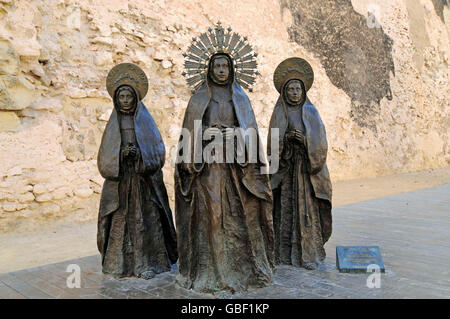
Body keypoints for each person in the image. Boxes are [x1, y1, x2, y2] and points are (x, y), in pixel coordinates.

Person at [175, 47, 274, 294]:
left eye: (225, 66)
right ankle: (213, 274)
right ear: (209, 70)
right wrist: (208, 136)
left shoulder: (240, 99)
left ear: (231, 69)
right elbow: (189, 137)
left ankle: (242, 269)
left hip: (238, 169)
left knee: (241, 217)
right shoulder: (198, 100)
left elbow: (250, 135)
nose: (221, 70)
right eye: (217, 66)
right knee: (213, 217)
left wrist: (235, 134)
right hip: (208, 168)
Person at [97, 63, 178, 279]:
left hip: (143, 184)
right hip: (122, 183)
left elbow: (157, 151)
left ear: (136, 98)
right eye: (121, 96)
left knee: (146, 222)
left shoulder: (146, 121)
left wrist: (139, 155)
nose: (125, 100)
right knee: (121, 222)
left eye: (128, 96)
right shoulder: (113, 124)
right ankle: (119, 265)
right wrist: (122, 156)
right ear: (116, 98)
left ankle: (149, 263)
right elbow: (105, 157)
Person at [268, 58, 332, 270]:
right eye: (291, 89)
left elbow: (320, 143)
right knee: (285, 209)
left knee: (306, 209)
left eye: (297, 88)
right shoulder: (279, 113)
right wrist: (286, 141)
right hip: (286, 171)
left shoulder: (311, 112)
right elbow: (272, 144)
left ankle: (308, 253)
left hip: (306, 171)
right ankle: (284, 254)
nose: (294, 92)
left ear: (303, 91)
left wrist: (304, 141)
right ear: (284, 92)